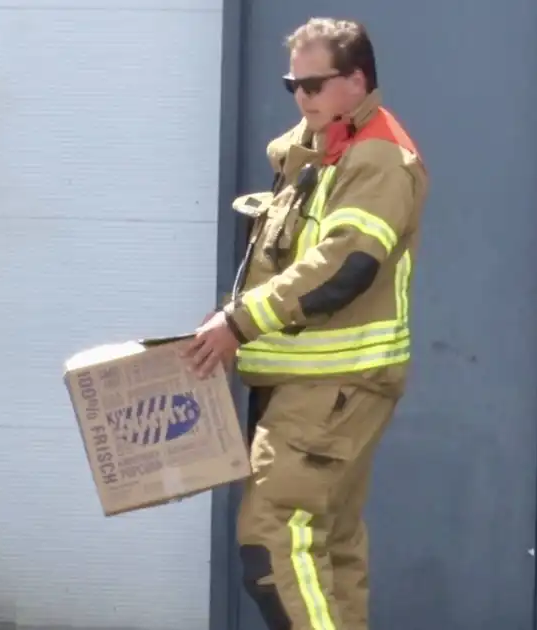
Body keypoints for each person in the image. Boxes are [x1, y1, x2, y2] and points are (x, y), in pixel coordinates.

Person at [182, 17, 427, 630]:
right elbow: (282, 260)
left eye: (314, 85)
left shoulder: (377, 157)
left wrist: (239, 323)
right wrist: (232, 319)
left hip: (331, 387)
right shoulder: (319, 153)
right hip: (316, 386)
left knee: (271, 542)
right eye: (294, 84)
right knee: (328, 550)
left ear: (356, 80)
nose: (301, 97)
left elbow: (346, 264)